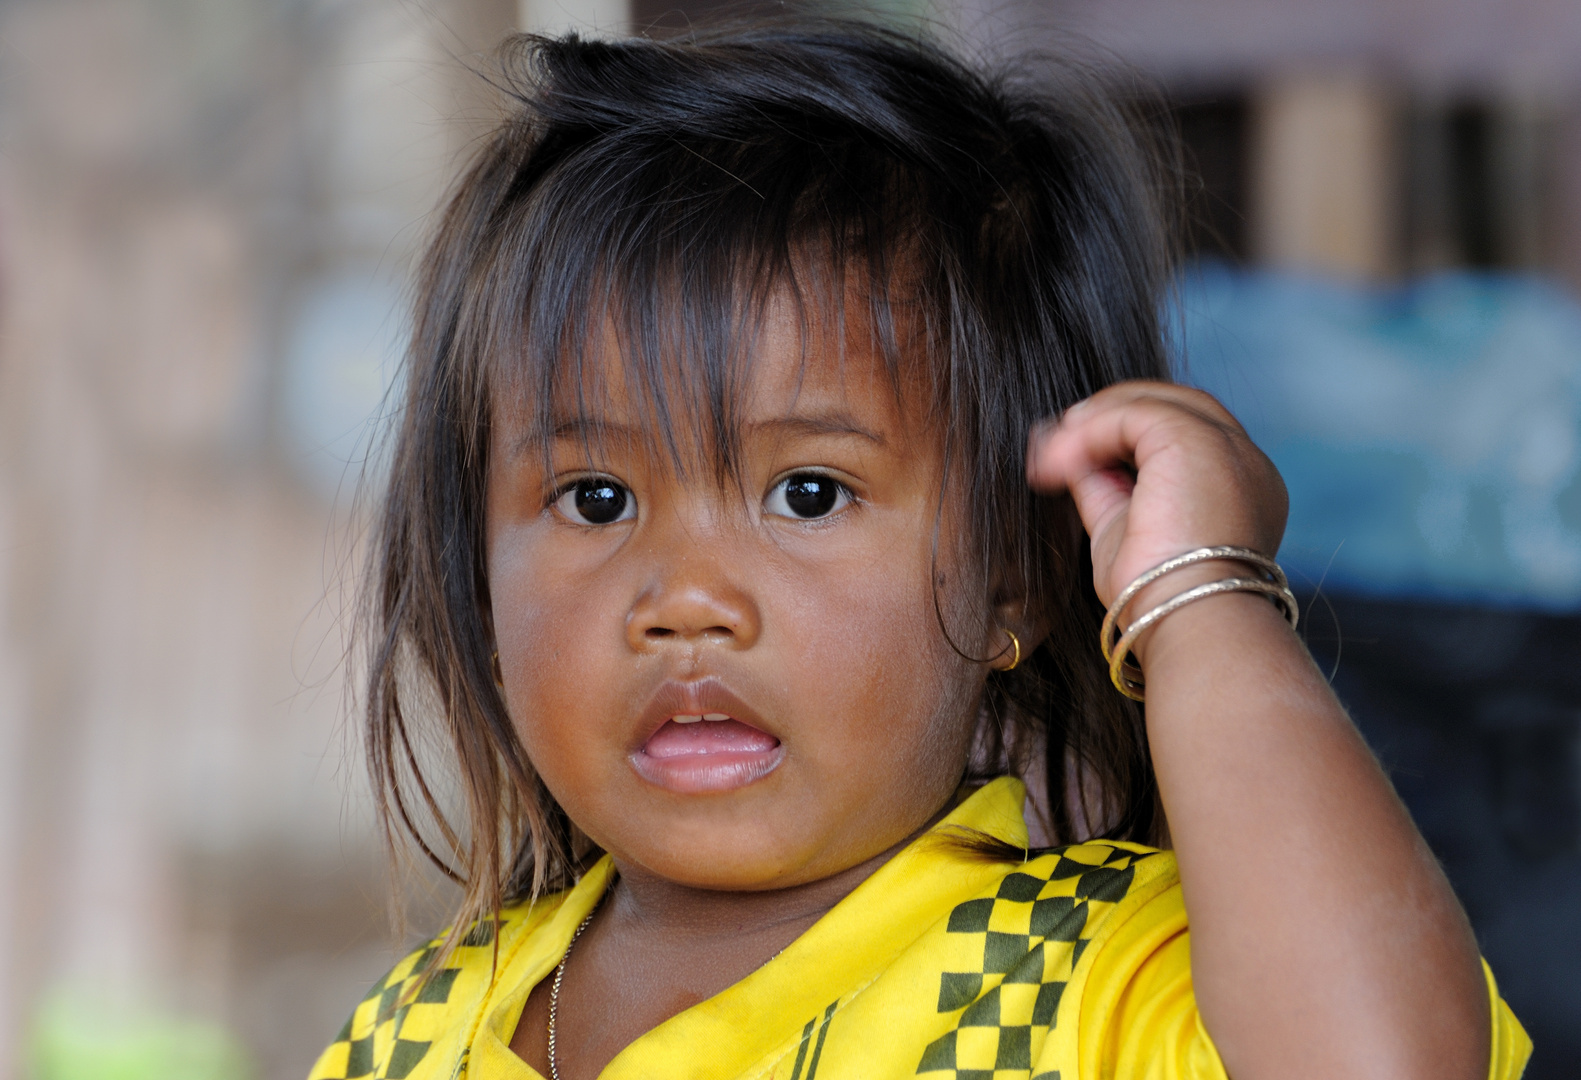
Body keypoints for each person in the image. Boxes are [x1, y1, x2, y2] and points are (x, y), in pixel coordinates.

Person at [308, 20, 1530, 1080]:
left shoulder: (1089, 980)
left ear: (1014, 573)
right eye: (593, 499)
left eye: (806, 492)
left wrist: (1198, 595)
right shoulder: (415, 1032)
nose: (684, 600)